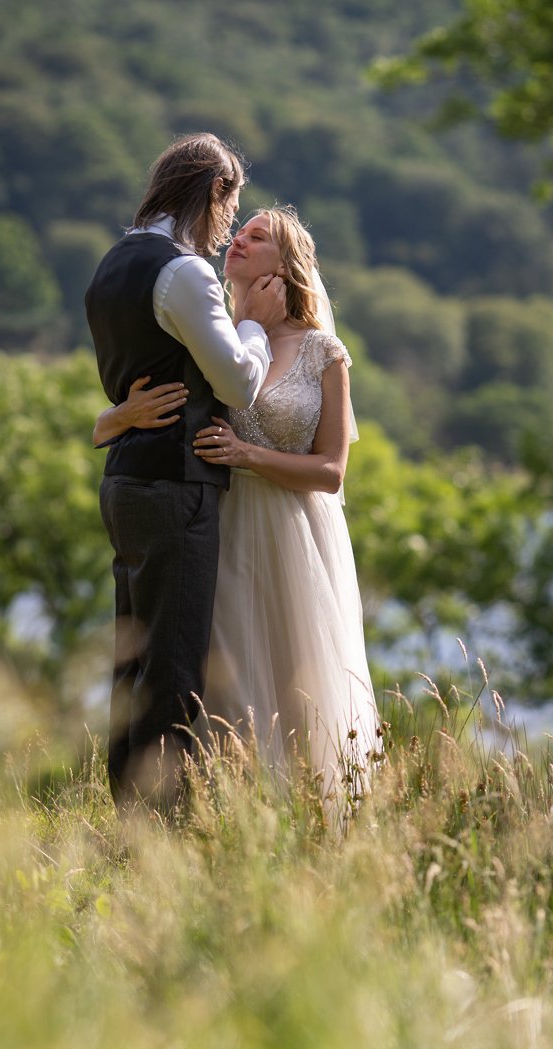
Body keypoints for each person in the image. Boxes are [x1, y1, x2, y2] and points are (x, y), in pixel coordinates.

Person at [101, 206, 379, 804]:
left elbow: (332, 472)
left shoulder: (323, 353)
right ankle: (227, 815)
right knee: (220, 676)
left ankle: (308, 817)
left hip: (293, 535)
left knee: (293, 676)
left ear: (285, 265)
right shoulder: (215, 336)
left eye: (258, 237)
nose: (238, 240)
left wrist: (246, 455)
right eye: (239, 230)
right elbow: (146, 409)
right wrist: (119, 417)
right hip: (219, 526)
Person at [85, 133, 287, 810]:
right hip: (177, 486)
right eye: (232, 204)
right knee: (174, 666)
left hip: (125, 481)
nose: (231, 222)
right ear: (214, 192)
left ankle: (125, 814)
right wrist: (254, 325)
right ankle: (159, 830)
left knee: (132, 660)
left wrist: (119, 415)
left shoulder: (112, 265)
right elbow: (236, 384)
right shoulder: (186, 271)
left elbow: (124, 381)